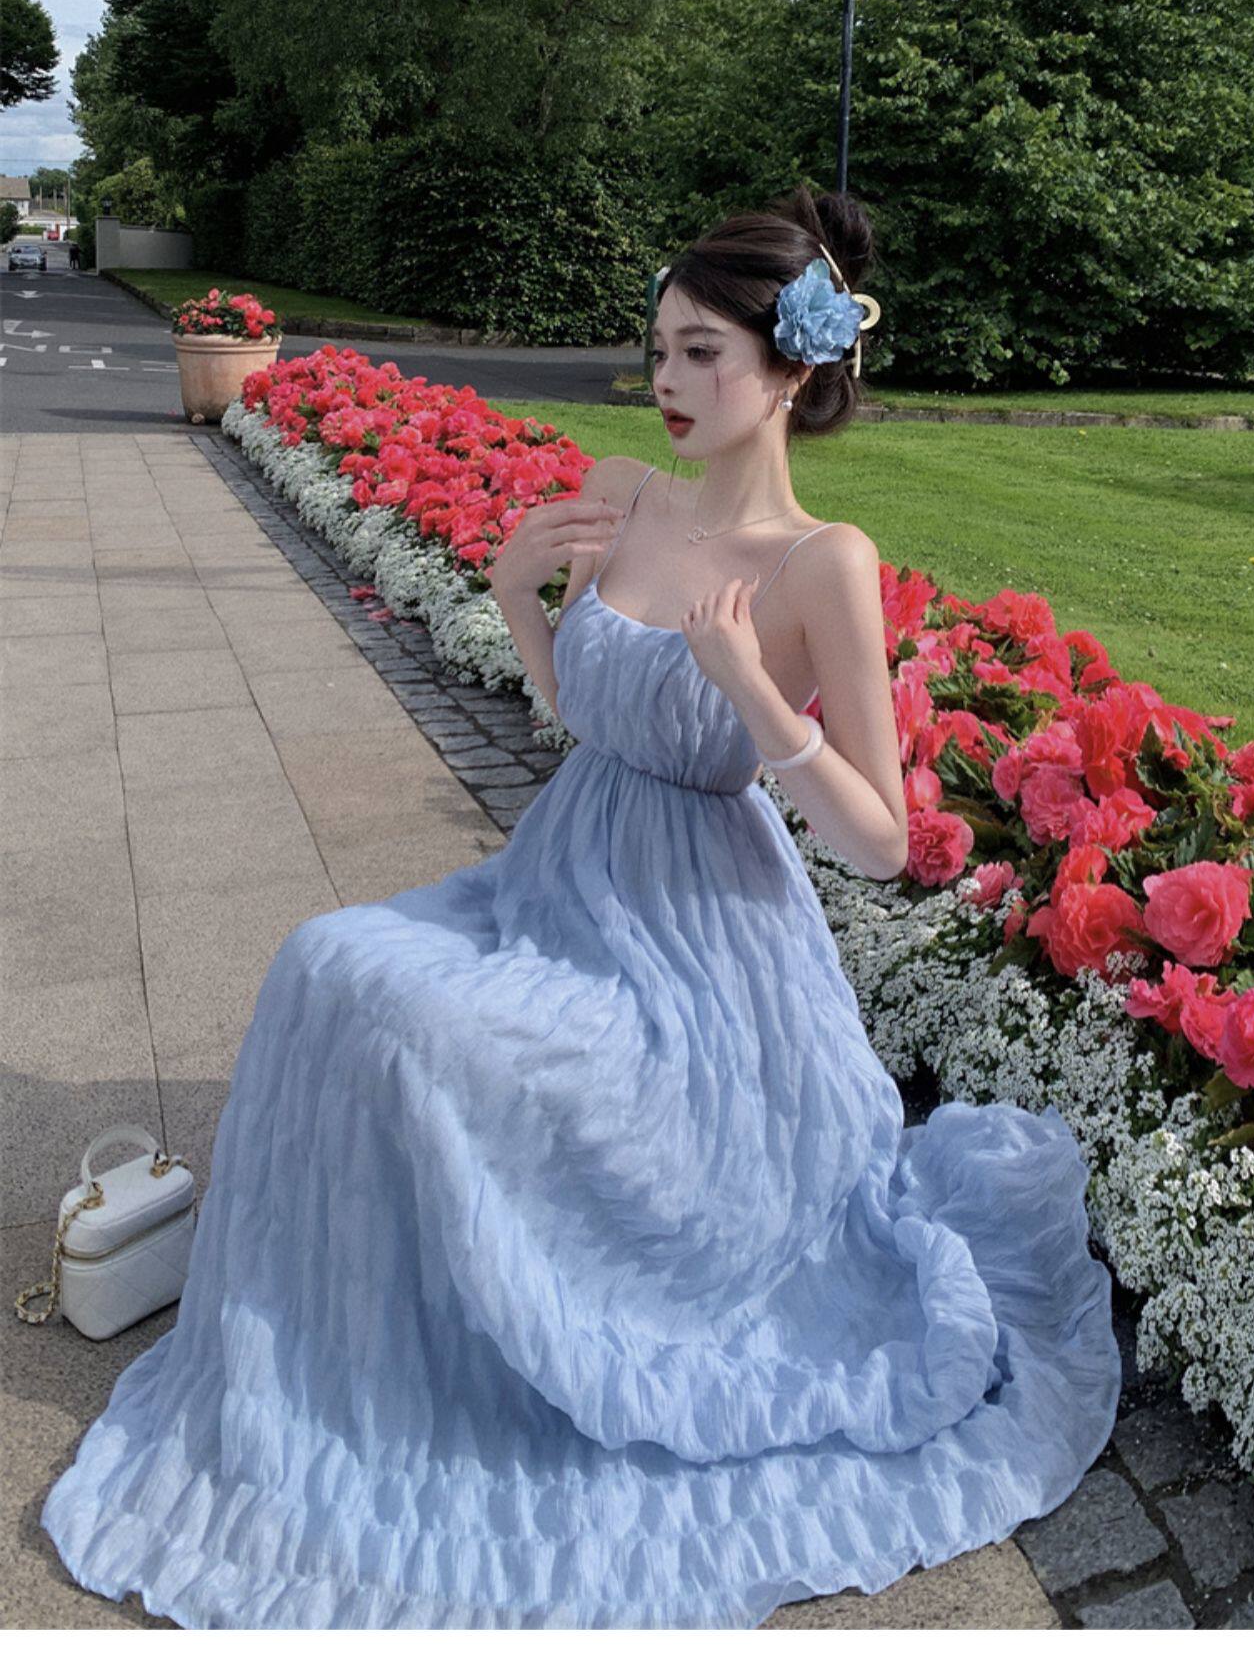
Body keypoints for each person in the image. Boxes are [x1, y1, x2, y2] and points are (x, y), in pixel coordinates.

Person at [39, 183, 1120, 1629]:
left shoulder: (824, 564)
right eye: (658, 350)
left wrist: (761, 704)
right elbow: (586, 714)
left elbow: (882, 839)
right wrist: (516, 592)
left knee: (416, 1024)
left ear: (787, 371)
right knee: (326, 963)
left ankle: (465, 1341)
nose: (666, 380)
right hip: (559, 880)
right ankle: (341, 1321)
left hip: (699, 957)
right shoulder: (632, 494)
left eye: (701, 354)